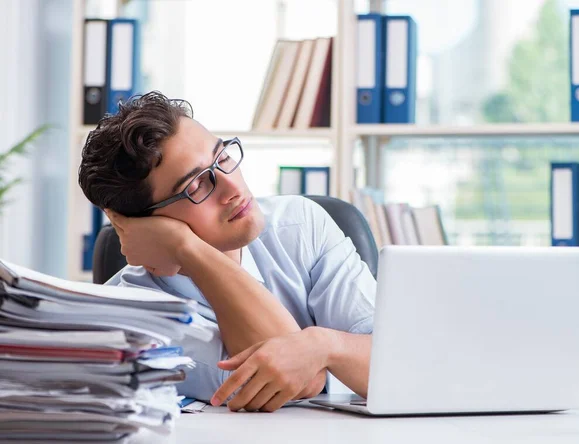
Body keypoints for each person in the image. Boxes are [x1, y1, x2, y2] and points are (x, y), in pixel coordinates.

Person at [79, 91, 376, 413]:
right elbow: (296, 384)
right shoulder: (132, 315)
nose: (233, 187)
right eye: (196, 186)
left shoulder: (301, 224)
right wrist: (188, 249)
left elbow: (400, 363)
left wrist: (324, 344)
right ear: (144, 224)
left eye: (222, 158)